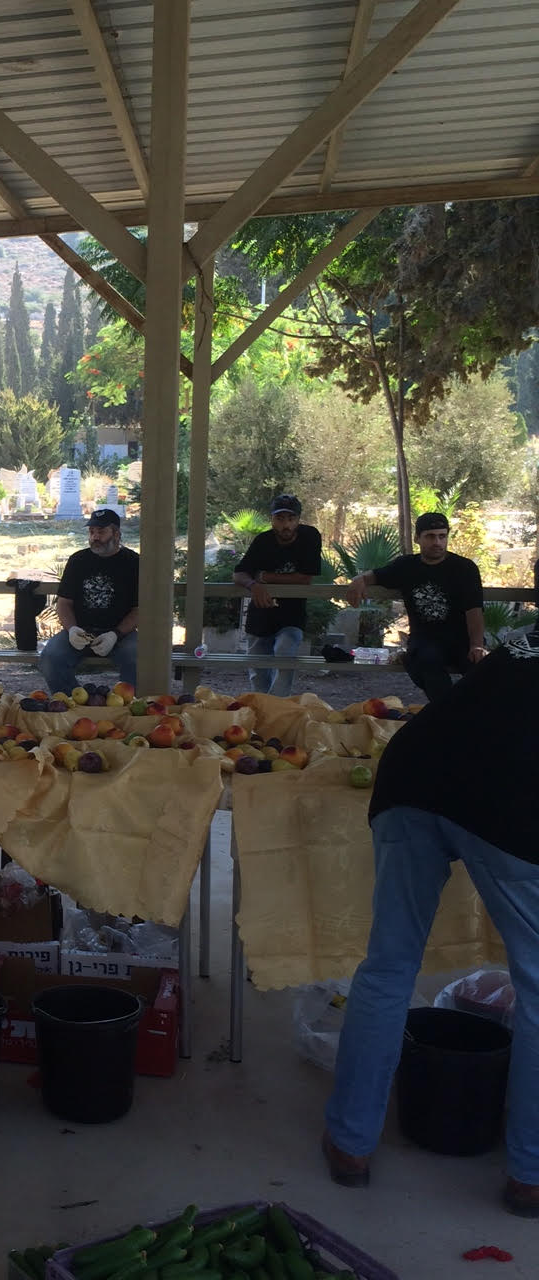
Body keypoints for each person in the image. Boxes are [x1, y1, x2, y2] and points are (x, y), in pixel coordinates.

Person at [322, 637, 539, 1218]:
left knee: (388, 965)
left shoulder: (523, 640)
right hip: (507, 796)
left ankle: (349, 1145)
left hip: (413, 774)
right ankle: (531, 1175)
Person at [346, 511, 486, 701]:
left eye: (442, 536)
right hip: (425, 639)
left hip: (462, 639)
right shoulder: (406, 566)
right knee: (426, 664)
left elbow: (474, 610)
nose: (437, 542)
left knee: (483, 672)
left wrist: (477, 645)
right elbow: (375, 575)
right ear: (417, 538)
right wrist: (359, 579)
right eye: (430, 536)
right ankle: (448, 712)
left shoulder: (465, 568)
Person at [38, 508, 139, 693]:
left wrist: (115, 634)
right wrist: (72, 629)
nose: (95, 537)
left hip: (121, 634)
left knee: (137, 658)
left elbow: (139, 609)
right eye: (92, 532)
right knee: (51, 658)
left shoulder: (133, 562)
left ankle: (127, 705)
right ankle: (73, 702)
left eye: (101, 532)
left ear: (116, 534)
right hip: (81, 632)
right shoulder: (78, 560)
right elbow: (64, 603)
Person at [232, 494, 322, 698]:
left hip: (292, 615)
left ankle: (278, 707)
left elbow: (305, 578)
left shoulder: (310, 537)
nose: (286, 525)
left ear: (298, 520)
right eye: (280, 519)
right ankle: (262, 708)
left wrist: (265, 577)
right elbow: (239, 573)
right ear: (272, 519)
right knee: (258, 675)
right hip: (260, 615)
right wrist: (254, 585)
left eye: (291, 519)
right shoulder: (262, 541)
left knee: (285, 655)